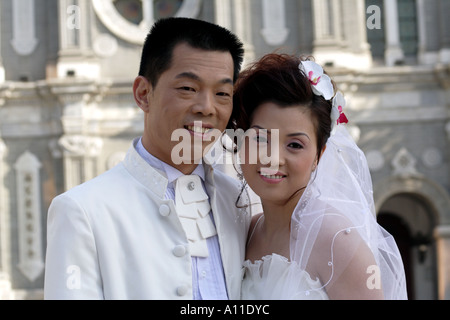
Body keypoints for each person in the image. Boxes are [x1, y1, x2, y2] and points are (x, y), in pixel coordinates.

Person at [44, 17, 251, 300]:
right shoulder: (82, 211)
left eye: (222, 93)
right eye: (188, 88)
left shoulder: (239, 201)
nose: (206, 107)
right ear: (143, 94)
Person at [232, 53, 408, 300]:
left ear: (319, 155)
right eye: (261, 138)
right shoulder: (246, 231)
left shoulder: (338, 241)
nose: (273, 158)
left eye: (294, 145)